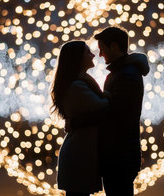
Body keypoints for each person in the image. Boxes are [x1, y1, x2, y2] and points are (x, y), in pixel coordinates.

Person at [71, 26, 150, 195]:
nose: (100, 55)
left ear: (113, 46)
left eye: (102, 49)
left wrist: (76, 122)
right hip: (118, 153)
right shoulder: (121, 73)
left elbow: (113, 114)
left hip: (119, 155)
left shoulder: (126, 75)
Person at [51, 40, 109, 196]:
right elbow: (105, 109)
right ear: (77, 58)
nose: (92, 55)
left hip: (81, 152)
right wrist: (111, 94)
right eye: (87, 52)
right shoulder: (77, 86)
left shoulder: (79, 83)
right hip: (79, 154)